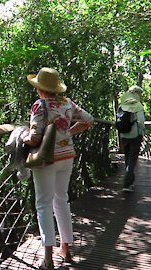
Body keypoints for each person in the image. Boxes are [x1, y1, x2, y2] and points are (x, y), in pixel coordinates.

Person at [22, 67, 94, 269]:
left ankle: (48, 259)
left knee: (44, 204)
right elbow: (88, 120)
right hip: (67, 156)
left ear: (40, 89)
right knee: (61, 200)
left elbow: (35, 137)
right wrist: (68, 134)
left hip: (46, 159)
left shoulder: (39, 105)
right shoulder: (67, 103)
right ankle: (66, 250)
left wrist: (22, 137)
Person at [119, 85, 145, 192]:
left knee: (127, 158)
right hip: (135, 135)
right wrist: (142, 132)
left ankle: (130, 181)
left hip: (124, 135)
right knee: (132, 159)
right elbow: (141, 121)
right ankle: (126, 184)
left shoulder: (122, 105)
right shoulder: (137, 105)